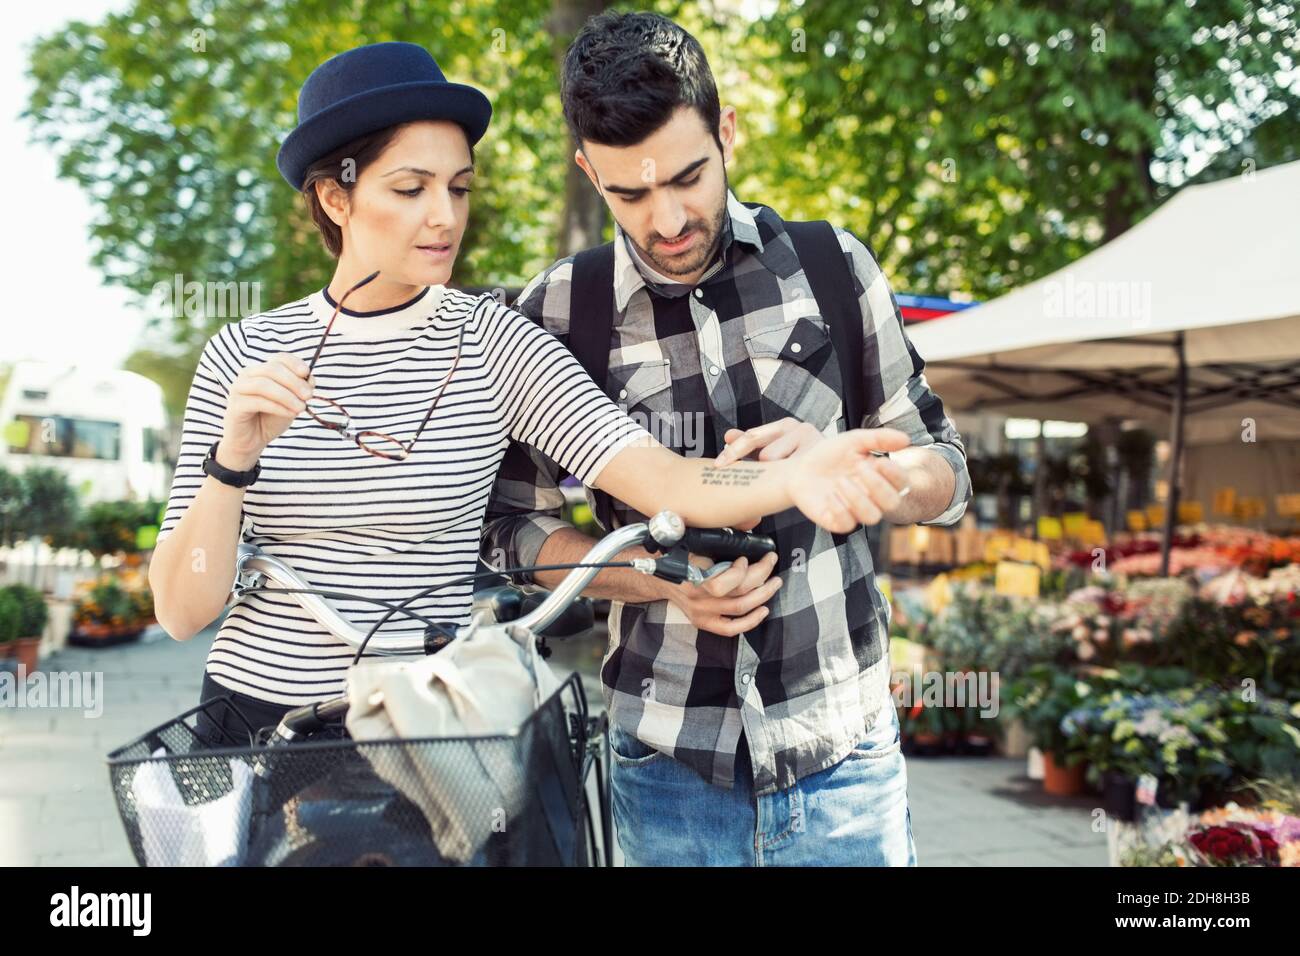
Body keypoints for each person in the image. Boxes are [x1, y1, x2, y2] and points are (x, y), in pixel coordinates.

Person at [145, 40, 910, 746]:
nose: (445, 217)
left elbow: (667, 480)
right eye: (410, 189)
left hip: (426, 731)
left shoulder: (497, 342)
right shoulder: (244, 353)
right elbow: (182, 611)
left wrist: (793, 476)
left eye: (458, 187)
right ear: (335, 199)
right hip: (252, 726)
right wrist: (232, 457)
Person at [480, 12, 972, 866]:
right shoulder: (560, 311)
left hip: (846, 762)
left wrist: (866, 471)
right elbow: (509, 533)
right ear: (587, 171)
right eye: (630, 193)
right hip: (666, 770)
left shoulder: (832, 267)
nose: (667, 219)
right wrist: (653, 582)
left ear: (728, 131)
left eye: (688, 177)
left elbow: (947, 469)